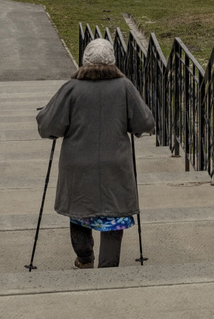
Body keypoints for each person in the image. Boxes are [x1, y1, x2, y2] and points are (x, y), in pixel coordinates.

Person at [36, 37, 155, 269]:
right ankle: (108, 267)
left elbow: (48, 126)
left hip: (78, 165)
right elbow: (145, 122)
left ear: (84, 62)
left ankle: (84, 258)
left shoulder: (71, 88)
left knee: (80, 211)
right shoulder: (125, 87)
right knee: (114, 214)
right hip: (115, 165)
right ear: (112, 61)